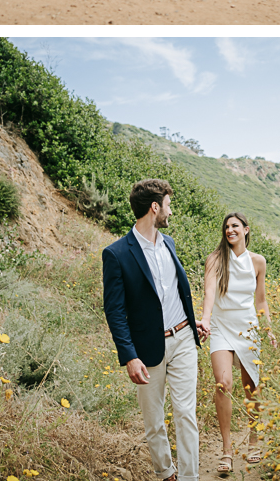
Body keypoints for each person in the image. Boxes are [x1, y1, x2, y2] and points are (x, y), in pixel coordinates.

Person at [102, 179, 206, 482]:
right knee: (154, 420)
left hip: (185, 338)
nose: (170, 212)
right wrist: (129, 356)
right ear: (155, 207)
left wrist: (190, 319)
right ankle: (167, 475)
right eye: (168, 205)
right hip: (147, 349)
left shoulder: (169, 243)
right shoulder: (117, 253)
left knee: (186, 413)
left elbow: (174, 292)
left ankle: (190, 480)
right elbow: (115, 311)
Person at [199, 212, 276, 477]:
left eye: (235, 226)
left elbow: (261, 300)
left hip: (248, 327)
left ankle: (254, 440)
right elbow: (209, 292)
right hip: (220, 326)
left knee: (251, 387)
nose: (230, 230)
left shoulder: (258, 262)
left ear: (245, 230)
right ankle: (227, 449)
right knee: (223, 383)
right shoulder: (216, 259)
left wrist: (268, 328)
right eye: (226, 227)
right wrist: (205, 320)